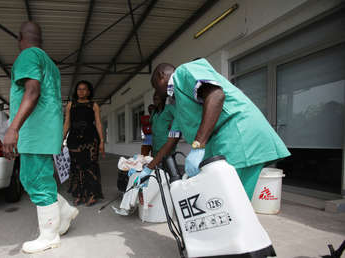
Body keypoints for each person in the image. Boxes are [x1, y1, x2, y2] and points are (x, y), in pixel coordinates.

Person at [135, 59, 290, 199]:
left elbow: (216, 95)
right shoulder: (180, 107)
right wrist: (148, 169)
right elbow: (169, 144)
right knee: (230, 205)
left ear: (162, 75)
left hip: (238, 137)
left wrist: (198, 145)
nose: (156, 92)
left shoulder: (183, 72)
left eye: (155, 86)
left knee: (229, 204)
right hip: (227, 143)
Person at [3, 21, 78, 254]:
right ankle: (64, 212)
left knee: (35, 180)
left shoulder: (27, 55)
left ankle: (49, 235)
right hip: (45, 130)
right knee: (34, 178)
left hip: (34, 131)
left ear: (20, 37)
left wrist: (13, 128)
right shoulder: (49, 63)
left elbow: (32, 91)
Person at [63, 80, 105, 206]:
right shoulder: (71, 105)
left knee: (90, 167)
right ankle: (79, 194)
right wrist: (62, 139)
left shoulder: (94, 105)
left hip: (91, 140)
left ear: (88, 91)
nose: (81, 91)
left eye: (84, 89)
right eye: (79, 89)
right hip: (74, 140)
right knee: (76, 167)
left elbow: (98, 123)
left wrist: (102, 141)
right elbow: (67, 123)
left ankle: (92, 194)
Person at [150, 91, 175, 157]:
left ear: (162, 99)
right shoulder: (154, 112)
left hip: (166, 145)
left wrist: (173, 124)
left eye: (156, 99)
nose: (154, 101)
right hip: (155, 144)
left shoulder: (169, 108)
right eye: (154, 99)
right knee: (156, 166)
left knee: (167, 166)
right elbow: (151, 123)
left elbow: (179, 118)